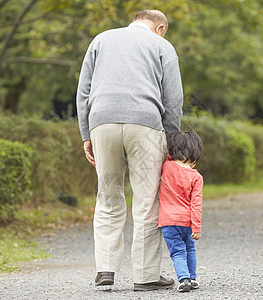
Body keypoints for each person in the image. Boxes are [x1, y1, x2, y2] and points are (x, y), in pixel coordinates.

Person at [76, 9, 184, 291]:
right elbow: (173, 98)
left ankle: (106, 268)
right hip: (146, 124)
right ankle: (147, 276)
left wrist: (86, 133)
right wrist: (171, 139)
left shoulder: (101, 39)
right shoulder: (162, 45)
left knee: (108, 195)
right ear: (159, 27)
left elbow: (83, 91)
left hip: (102, 122)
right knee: (147, 200)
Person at [158, 130, 204, 293]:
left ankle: (183, 279)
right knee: (190, 249)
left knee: (177, 251)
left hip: (168, 221)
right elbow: (196, 204)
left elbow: (170, 158)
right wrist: (196, 227)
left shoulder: (166, 166)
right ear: (195, 156)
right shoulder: (196, 177)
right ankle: (192, 278)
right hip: (187, 222)